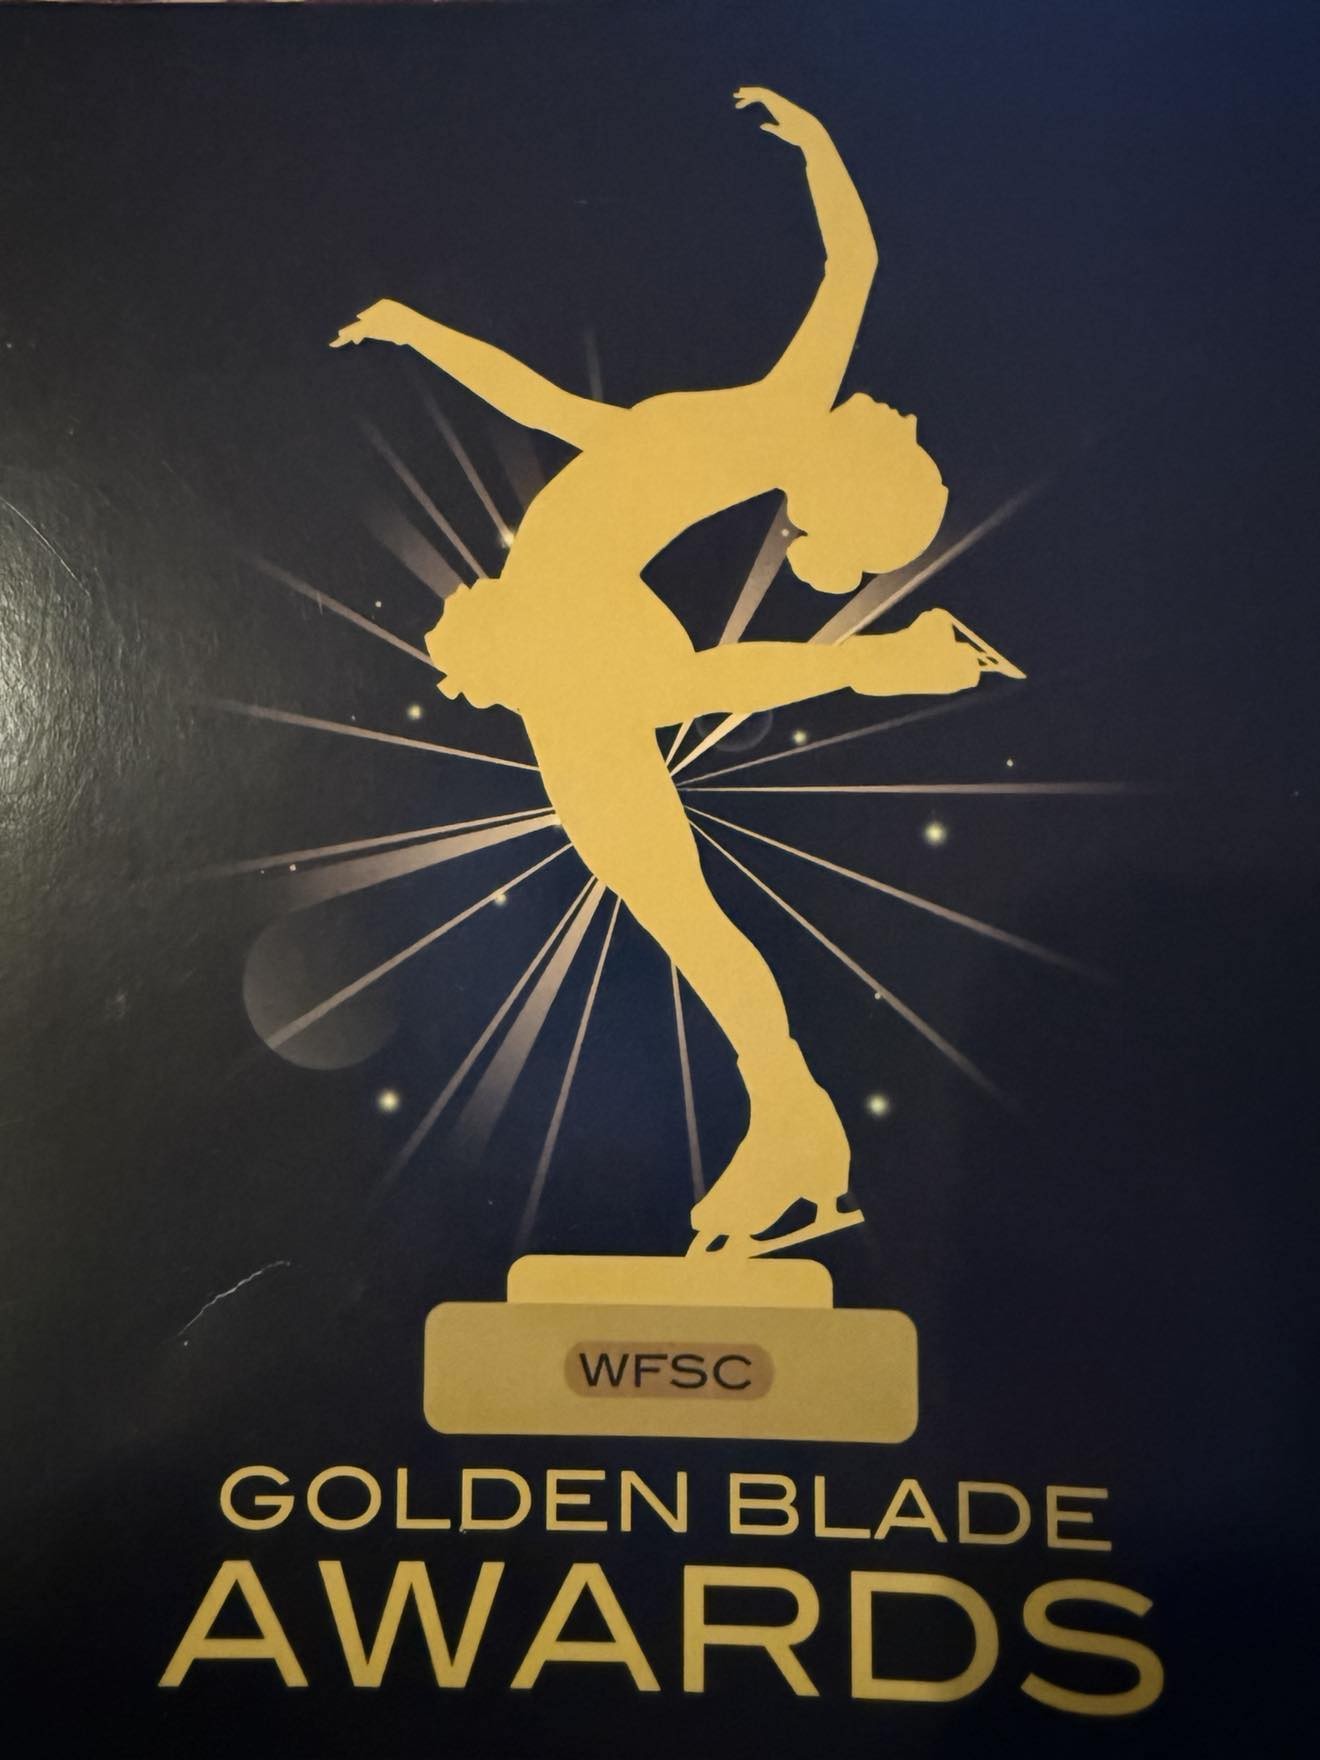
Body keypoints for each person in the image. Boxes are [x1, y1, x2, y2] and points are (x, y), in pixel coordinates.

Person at [333, 87, 1018, 1256]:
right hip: (562, 636)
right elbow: (555, 404)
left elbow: (852, 266)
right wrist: (421, 332)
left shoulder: (780, 414)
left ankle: (795, 1121)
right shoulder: (761, 415)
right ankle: (798, 1124)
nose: (877, 410)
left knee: (680, 835)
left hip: (581, 628)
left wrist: (821, 146)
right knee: (673, 898)